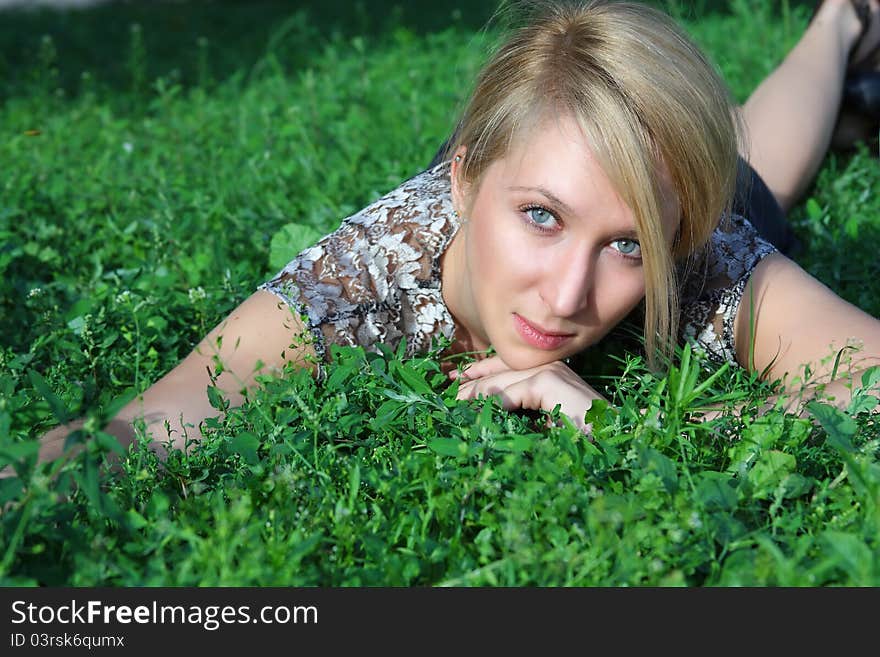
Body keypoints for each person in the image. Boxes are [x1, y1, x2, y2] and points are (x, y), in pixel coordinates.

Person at [6, 0, 880, 475]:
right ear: (461, 178)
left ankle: (840, 19)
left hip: (705, 186)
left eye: (628, 248)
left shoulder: (700, 245)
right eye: (542, 216)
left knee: (757, 168)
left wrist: (629, 432)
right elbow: (156, 419)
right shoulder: (369, 272)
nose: (568, 296)